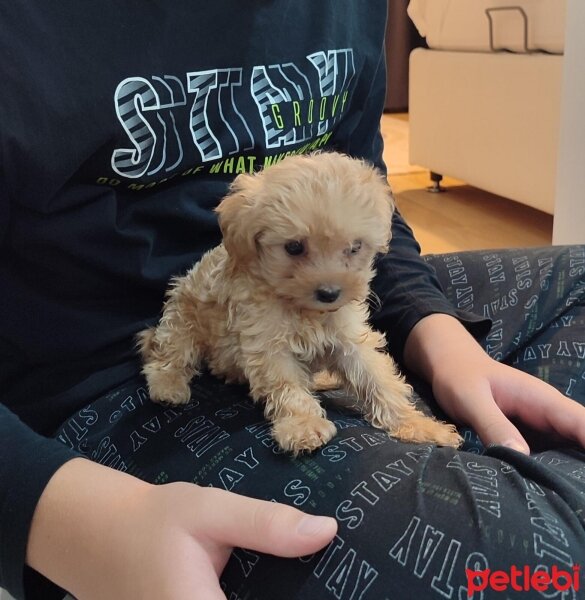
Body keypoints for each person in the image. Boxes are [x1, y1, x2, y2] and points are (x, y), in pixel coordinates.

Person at [1, 2, 584, 599]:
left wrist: (435, 333)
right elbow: (268, 347)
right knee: (541, 567)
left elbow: (367, 191)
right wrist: (58, 514)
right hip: (89, 388)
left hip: (333, 310)